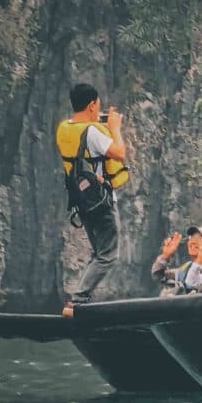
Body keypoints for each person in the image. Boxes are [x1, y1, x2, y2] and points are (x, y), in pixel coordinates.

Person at [56, 83, 129, 304]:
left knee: (99, 253)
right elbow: (120, 154)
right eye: (97, 105)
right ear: (91, 105)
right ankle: (79, 299)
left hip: (82, 201)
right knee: (109, 255)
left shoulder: (64, 129)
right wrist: (115, 128)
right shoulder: (93, 132)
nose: (98, 109)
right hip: (101, 201)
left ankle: (81, 299)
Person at [151, 225, 202, 295]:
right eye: (191, 237)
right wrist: (165, 256)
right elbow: (158, 276)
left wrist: (199, 260)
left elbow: (192, 284)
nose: (192, 241)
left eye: (200, 238)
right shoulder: (185, 269)